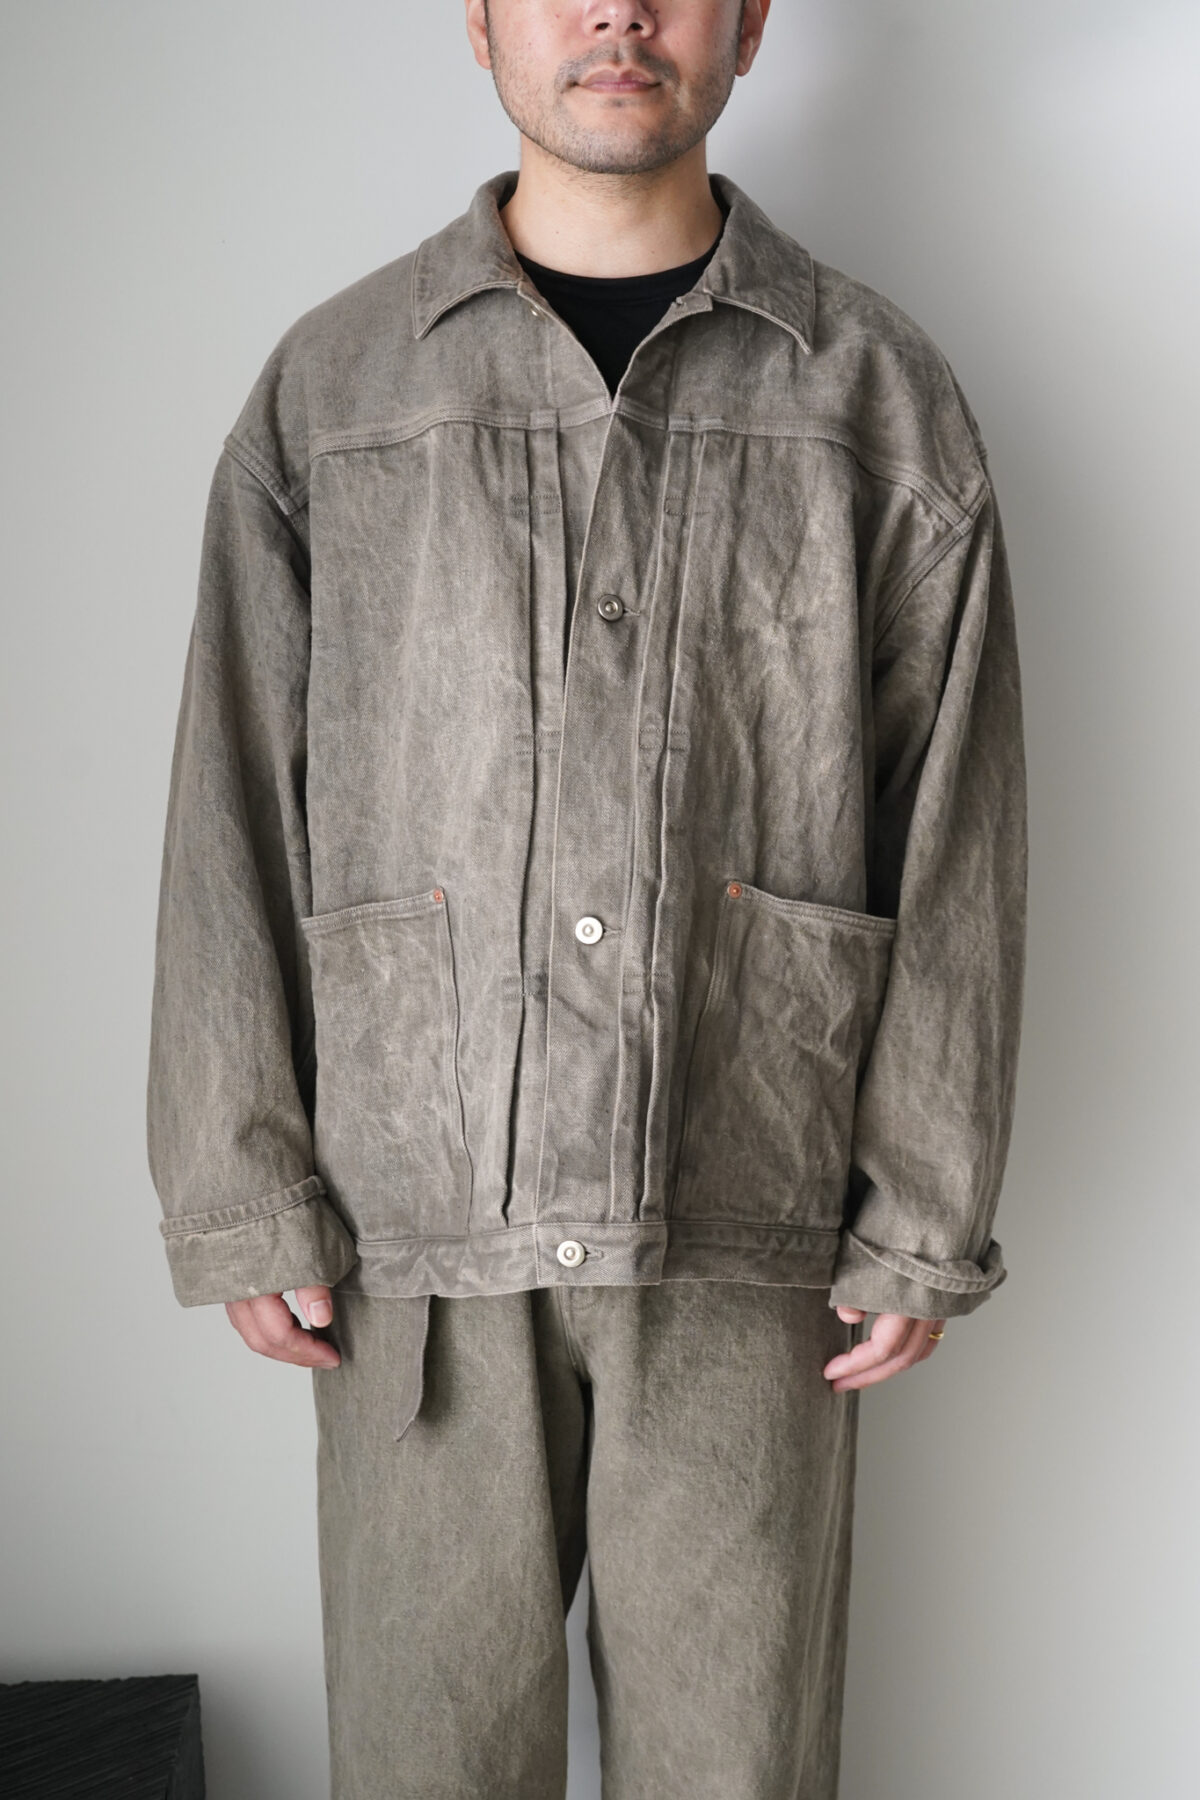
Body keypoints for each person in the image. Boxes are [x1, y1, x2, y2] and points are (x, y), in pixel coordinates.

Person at [145, 2, 1028, 1794]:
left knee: (737, 1770)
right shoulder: (340, 389)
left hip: (745, 1203)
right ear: (479, 20)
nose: (618, 11)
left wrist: (924, 1203)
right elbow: (233, 785)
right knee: (425, 1765)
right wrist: (240, 1178)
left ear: (751, 21)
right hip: (413, 1220)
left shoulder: (874, 394)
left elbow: (959, 825)